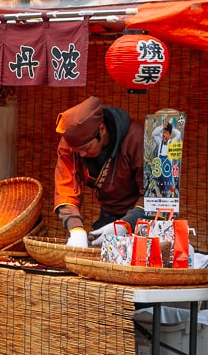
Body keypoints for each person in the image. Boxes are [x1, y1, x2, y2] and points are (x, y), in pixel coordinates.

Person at [50, 96, 145, 248]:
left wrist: (125, 225)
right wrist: (76, 229)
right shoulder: (71, 144)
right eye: (77, 150)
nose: (81, 154)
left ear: (102, 129)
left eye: (86, 148)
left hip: (141, 218)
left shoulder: (136, 138)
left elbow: (151, 196)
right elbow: (65, 188)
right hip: (108, 215)